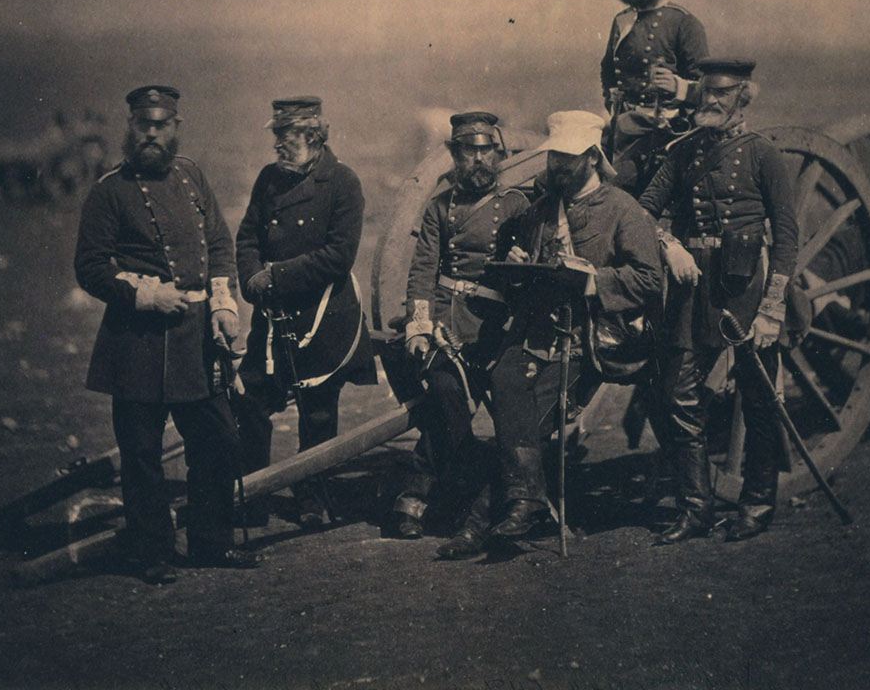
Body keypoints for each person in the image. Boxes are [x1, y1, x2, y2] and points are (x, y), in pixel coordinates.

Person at [74, 85, 256, 584]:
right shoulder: (109, 190)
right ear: (129, 128)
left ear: (176, 128)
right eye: (142, 125)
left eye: (161, 125)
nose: (151, 134)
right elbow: (89, 267)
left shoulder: (193, 176)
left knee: (216, 438)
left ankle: (211, 542)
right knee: (141, 454)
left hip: (197, 340)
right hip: (137, 343)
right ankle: (151, 553)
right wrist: (142, 296)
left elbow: (219, 242)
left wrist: (224, 306)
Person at [480, 110, 663, 543]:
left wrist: (593, 281)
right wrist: (522, 264)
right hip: (537, 331)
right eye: (553, 158)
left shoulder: (623, 210)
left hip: (590, 338)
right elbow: (529, 270)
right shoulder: (542, 211)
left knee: (535, 414)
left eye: (567, 158)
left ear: (593, 159)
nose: (557, 167)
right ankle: (523, 504)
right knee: (503, 379)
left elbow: (649, 280)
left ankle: (488, 516)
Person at [638, 58, 799, 543]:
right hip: (695, 287)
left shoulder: (762, 154)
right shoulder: (684, 153)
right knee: (677, 394)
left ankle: (757, 503)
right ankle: (697, 507)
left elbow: (788, 236)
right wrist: (669, 244)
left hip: (747, 285)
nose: (711, 100)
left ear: (742, 98)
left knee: (759, 398)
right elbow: (644, 210)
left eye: (723, 94)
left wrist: (773, 308)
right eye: (706, 91)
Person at [235, 95, 377, 530]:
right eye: (277, 135)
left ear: (314, 137)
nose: (279, 145)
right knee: (250, 399)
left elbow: (338, 256)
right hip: (274, 318)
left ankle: (312, 499)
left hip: (324, 317)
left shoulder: (342, 183)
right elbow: (246, 240)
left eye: (288, 136)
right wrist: (252, 278)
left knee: (317, 413)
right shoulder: (268, 180)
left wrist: (275, 277)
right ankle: (252, 495)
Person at [392, 111, 530, 541]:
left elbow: (534, 267)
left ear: (498, 153)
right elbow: (422, 271)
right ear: (455, 156)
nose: (478, 161)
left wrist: (520, 265)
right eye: (468, 152)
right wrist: (419, 325)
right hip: (447, 324)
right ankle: (481, 478)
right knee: (446, 397)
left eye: (485, 151)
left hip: (497, 326)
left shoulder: (516, 205)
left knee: (450, 410)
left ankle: (414, 499)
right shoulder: (439, 208)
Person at [600, 0, 709, 194]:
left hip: (666, 135)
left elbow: (711, 90)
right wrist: (613, 101)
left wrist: (678, 87)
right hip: (622, 129)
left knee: (612, 189)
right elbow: (607, 72)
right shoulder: (622, 21)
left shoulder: (684, 23)